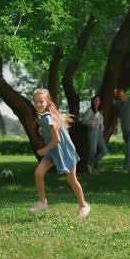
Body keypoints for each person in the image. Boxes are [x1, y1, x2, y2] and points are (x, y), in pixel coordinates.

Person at [28, 88, 91, 217]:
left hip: (64, 151)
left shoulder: (47, 118)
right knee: (38, 173)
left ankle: (83, 205)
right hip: (54, 151)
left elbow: (57, 139)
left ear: (47, 102)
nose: (38, 104)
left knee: (71, 180)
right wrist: (43, 130)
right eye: (36, 101)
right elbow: (53, 130)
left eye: (41, 101)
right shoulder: (46, 116)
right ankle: (42, 202)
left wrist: (43, 150)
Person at [81, 95, 108, 174]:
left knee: (104, 151)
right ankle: (91, 167)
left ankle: (90, 164)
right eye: (95, 100)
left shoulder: (100, 111)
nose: (97, 101)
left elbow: (101, 122)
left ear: (100, 102)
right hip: (93, 130)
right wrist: (90, 123)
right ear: (93, 101)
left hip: (99, 132)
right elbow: (83, 120)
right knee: (93, 150)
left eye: (98, 100)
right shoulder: (90, 110)